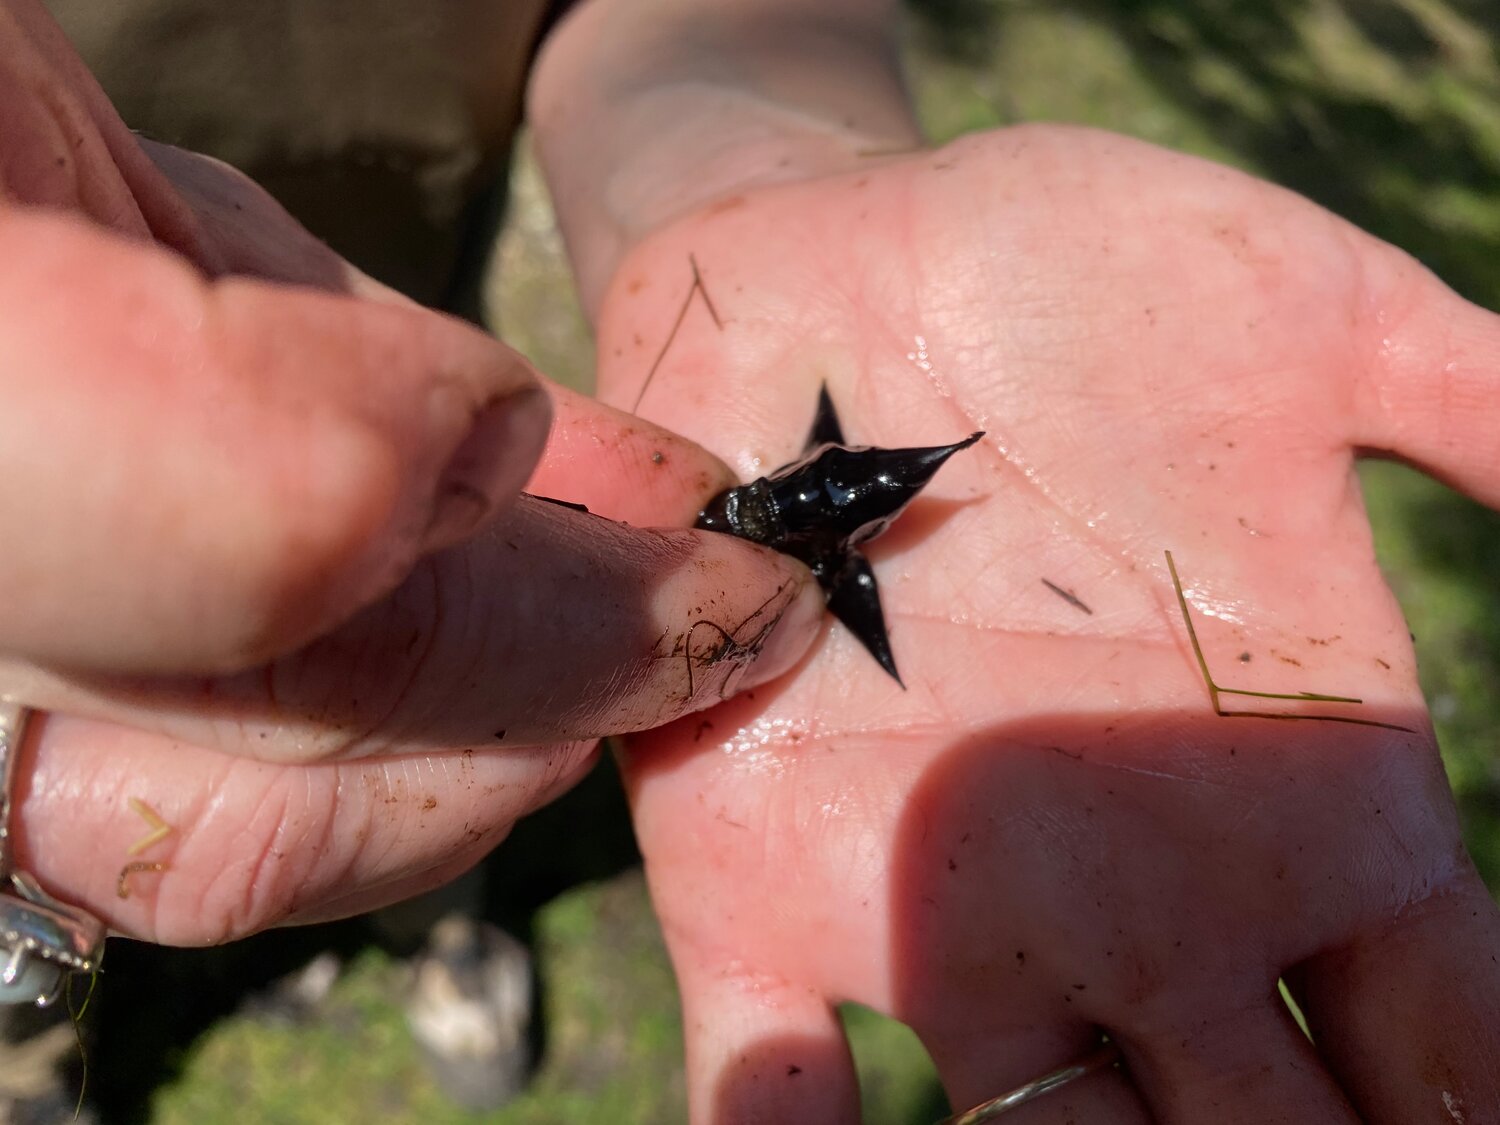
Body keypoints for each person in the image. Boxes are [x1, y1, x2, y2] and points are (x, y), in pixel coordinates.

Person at [2, 0, 1497, 1121]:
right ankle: (47, 1021)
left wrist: (748, 174)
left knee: (438, 753)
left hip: (429, 460)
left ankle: (433, 924)